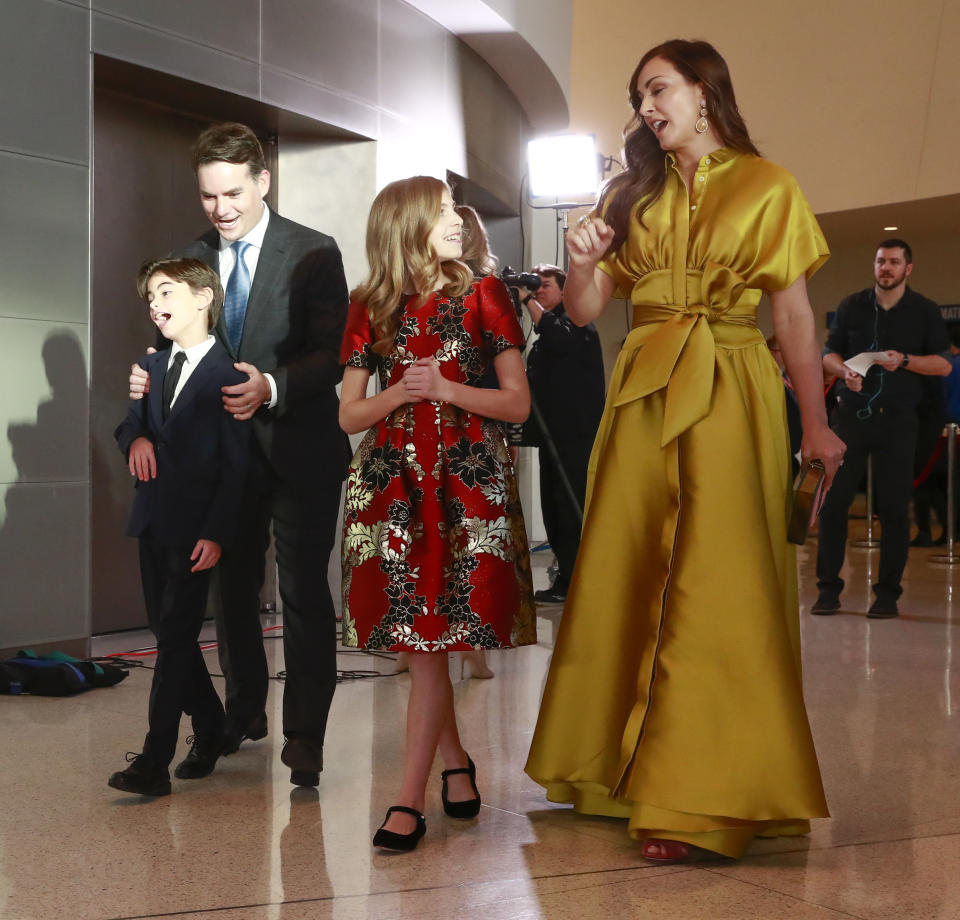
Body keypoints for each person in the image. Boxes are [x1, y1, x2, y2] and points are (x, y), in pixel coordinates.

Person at [524, 39, 845, 862]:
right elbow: (591, 309)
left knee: (720, 584)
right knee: (627, 568)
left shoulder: (770, 186)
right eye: (638, 96)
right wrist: (582, 259)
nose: (645, 108)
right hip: (641, 394)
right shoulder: (629, 193)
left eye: (657, 89)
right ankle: (610, 774)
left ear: (705, 93)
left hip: (732, 387)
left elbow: (796, 319)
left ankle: (703, 799)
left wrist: (814, 421)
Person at [128, 123, 351, 786]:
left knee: (303, 592)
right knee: (229, 590)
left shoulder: (314, 251)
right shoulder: (186, 261)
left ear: (262, 181)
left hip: (298, 448)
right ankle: (243, 711)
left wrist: (271, 386)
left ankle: (305, 737)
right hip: (219, 460)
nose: (221, 208)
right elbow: (174, 353)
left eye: (232, 193)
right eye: (208, 196)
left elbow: (328, 353)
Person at [338, 177, 535, 851]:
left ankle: (406, 799)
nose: (460, 220)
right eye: (447, 211)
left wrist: (448, 387)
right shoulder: (368, 305)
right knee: (425, 645)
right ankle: (450, 767)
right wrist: (398, 393)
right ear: (412, 223)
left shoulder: (485, 294)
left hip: (466, 487)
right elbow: (349, 414)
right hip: (392, 492)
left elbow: (518, 406)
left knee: (434, 644)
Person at [110, 259, 250, 796]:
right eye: (149, 295)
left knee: (173, 641)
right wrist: (137, 441)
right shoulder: (152, 365)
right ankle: (211, 725)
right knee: (170, 635)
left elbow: (237, 466)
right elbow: (130, 423)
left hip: (197, 530)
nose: (154, 303)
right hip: (153, 519)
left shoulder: (231, 375)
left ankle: (154, 759)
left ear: (202, 297)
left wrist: (216, 533)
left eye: (164, 292)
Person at [814, 240, 950, 618]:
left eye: (893, 262)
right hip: (851, 417)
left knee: (893, 510)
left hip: (899, 421)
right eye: (879, 261)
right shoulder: (852, 305)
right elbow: (829, 355)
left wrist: (904, 360)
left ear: (908, 268)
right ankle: (828, 590)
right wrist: (846, 372)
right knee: (834, 504)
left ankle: (887, 595)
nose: (885, 268)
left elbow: (943, 364)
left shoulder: (923, 311)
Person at [520, 264, 605, 605]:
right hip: (552, 436)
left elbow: (558, 335)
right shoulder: (550, 328)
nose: (538, 290)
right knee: (553, 509)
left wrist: (527, 300)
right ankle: (565, 579)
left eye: (544, 285)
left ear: (564, 290)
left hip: (575, 436)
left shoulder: (576, 321)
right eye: (534, 286)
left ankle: (578, 583)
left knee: (571, 509)